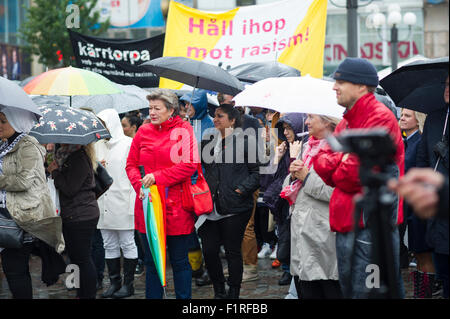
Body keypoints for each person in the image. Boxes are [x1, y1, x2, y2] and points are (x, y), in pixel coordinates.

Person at [313, 57, 405, 298]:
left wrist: (338, 162)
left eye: (341, 81)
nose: (335, 87)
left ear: (361, 86)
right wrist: (340, 160)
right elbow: (320, 161)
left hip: (370, 228)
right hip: (348, 223)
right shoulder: (347, 120)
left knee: (370, 293)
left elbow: (354, 175)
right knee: (352, 291)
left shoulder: (380, 117)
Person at [126, 89, 198, 299]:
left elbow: (190, 165)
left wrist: (158, 177)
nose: (152, 112)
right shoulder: (143, 131)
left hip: (176, 208)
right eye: (150, 108)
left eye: (157, 108)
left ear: (171, 110)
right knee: (152, 262)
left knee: (179, 261)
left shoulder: (183, 130)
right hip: (147, 206)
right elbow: (130, 165)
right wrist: (139, 185)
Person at [0, 106, 65, 299]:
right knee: (12, 269)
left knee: (15, 270)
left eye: (3, 121)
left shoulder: (28, 145)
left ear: (17, 122)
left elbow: (24, 180)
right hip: (5, 214)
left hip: (20, 217)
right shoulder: (4, 144)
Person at [198, 103, 261, 299]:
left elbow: (258, 173)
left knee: (233, 251)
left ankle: (233, 292)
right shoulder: (208, 140)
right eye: (214, 115)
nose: (215, 119)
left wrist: (241, 189)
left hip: (235, 206)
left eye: (220, 116)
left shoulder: (246, 141)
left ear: (232, 120)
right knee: (208, 251)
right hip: (210, 206)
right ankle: (219, 289)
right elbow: (199, 168)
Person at [286, 113, 341, 299]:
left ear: (327, 121)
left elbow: (338, 193)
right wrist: (293, 174)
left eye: (311, 117)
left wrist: (306, 177)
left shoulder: (340, 150)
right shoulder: (307, 146)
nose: (306, 122)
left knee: (327, 287)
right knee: (305, 286)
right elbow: (293, 186)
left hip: (323, 234)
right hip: (302, 230)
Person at [47, 141, 100, 299]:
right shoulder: (67, 155)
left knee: (82, 259)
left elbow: (70, 189)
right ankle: (81, 293)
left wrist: (55, 172)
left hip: (81, 216)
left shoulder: (78, 157)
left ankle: (88, 294)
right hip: (73, 214)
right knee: (77, 259)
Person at [95, 109, 138, 299]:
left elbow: (134, 172)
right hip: (103, 201)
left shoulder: (128, 144)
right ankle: (114, 282)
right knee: (109, 243)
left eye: (104, 124)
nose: (102, 128)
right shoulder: (97, 145)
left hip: (124, 200)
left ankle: (128, 285)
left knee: (127, 242)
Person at [413, 75, 449, 299]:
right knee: (442, 269)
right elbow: (422, 158)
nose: (447, 89)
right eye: (446, 84)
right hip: (436, 210)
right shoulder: (436, 118)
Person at [263, 112, 307, 286]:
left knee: (292, 241)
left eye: (289, 128)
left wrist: (295, 157)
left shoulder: (305, 149)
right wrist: (277, 158)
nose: (286, 132)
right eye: (284, 129)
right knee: (284, 240)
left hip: (298, 204)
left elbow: (296, 179)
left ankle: (293, 273)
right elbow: (266, 180)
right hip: (281, 204)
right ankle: (287, 270)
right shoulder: (284, 148)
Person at [179, 89, 215, 286]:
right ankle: (196, 268)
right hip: (186, 185)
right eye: (184, 104)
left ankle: (211, 269)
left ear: (199, 105)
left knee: (207, 232)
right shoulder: (185, 124)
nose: (186, 108)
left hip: (203, 187)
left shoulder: (210, 126)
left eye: (189, 104)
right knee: (189, 230)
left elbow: (209, 158)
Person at [398, 108, 435, 297]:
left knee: (423, 253)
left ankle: (425, 294)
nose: (402, 118)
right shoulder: (406, 141)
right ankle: (422, 292)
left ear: (418, 119)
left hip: (418, 206)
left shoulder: (419, 141)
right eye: (402, 115)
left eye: (407, 116)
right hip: (408, 206)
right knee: (418, 253)